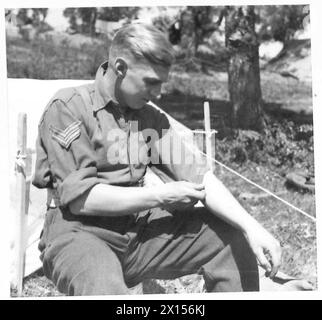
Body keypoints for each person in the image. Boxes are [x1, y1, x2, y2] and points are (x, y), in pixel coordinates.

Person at [32, 23, 282, 296]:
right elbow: (82, 200)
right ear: (120, 68)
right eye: (151, 82)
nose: (159, 93)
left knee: (230, 236)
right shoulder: (69, 107)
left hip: (137, 232)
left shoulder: (151, 119)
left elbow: (202, 179)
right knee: (107, 291)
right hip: (77, 234)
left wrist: (252, 228)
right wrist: (161, 196)